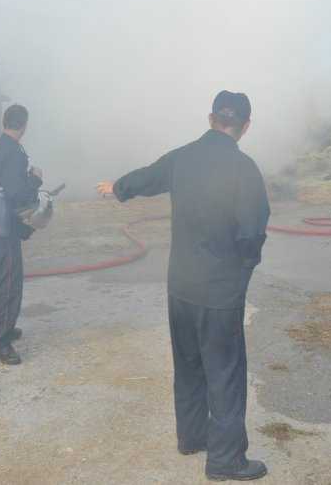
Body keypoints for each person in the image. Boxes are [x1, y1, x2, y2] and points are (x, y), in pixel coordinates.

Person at [96, 90, 270, 482]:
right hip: (219, 292)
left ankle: (191, 437)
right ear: (245, 127)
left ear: (211, 120)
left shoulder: (183, 157)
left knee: (189, 364)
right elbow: (252, 232)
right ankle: (226, 461)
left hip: (180, 287)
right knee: (224, 373)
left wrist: (118, 187)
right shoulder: (244, 169)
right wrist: (242, 272)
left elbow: (148, 176)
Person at [0, 104, 42, 365]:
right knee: (8, 279)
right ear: (24, 125)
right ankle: (1, 341)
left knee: (9, 275)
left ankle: (7, 327)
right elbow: (16, 193)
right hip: (4, 224)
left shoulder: (1, 145)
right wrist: (35, 179)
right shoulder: (12, 151)